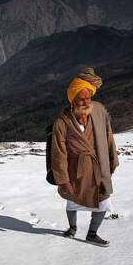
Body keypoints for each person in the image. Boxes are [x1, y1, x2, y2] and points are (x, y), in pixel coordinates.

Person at [51, 67, 119, 247]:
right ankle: (72, 228)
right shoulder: (62, 123)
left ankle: (92, 233)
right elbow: (59, 154)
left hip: (98, 169)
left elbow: (108, 136)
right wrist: (63, 180)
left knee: (103, 201)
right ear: (73, 100)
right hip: (76, 171)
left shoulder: (98, 111)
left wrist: (112, 159)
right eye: (82, 98)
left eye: (88, 97)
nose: (86, 102)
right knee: (72, 201)